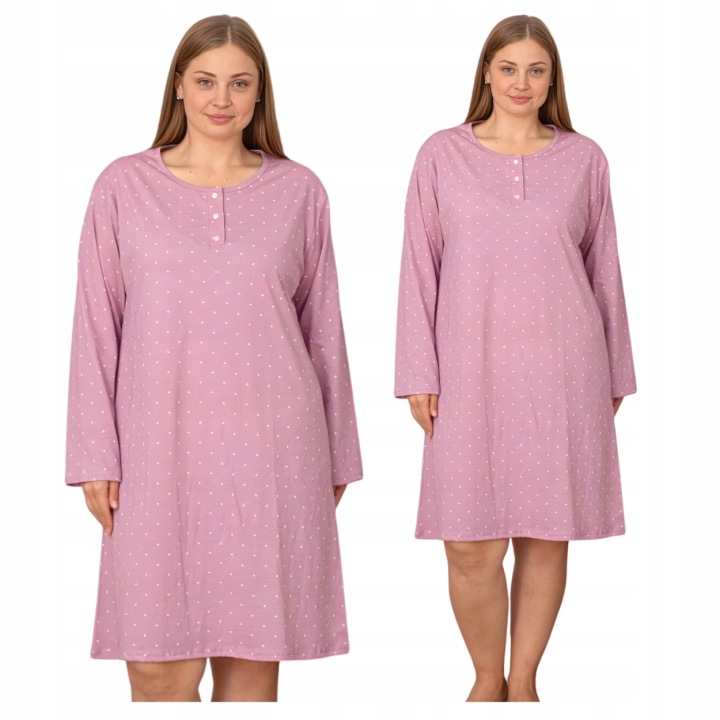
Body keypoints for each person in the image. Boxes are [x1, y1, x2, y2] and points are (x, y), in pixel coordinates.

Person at [65, 15, 362, 702]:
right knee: (157, 671)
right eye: (205, 81)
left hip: (271, 454)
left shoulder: (299, 192)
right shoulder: (122, 187)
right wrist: (94, 457)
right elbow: (95, 326)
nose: (221, 99)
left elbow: (325, 333)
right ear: (178, 86)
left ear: (260, 93)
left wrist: (336, 458)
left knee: (251, 669)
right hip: (156, 454)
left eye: (239, 83)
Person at [394, 15, 636, 702]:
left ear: (552, 79)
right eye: (508, 68)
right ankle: (485, 678)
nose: (521, 83)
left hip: (564, 368)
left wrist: (615, 373)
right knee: (469, 542)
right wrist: (417, 372)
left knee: (545, 532)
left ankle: (523, 684)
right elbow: (418, 268)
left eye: (535, 70)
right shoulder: (441, 155)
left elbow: (605, 272)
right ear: (487, 73)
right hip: (466, 370)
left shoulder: (584, 159)